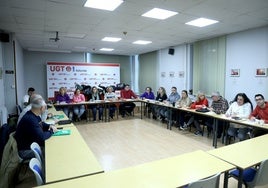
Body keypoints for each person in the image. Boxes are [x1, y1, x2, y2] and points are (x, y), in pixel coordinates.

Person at [15, 95, 57, 160]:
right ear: (42, 108)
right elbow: (41, 137)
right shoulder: (30, 119)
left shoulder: (33, 114)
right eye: (45, 107)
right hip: (25, 151)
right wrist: (51, 131)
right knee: (51, 152)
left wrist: (49, 126)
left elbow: (41, 123)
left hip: (31, 144)